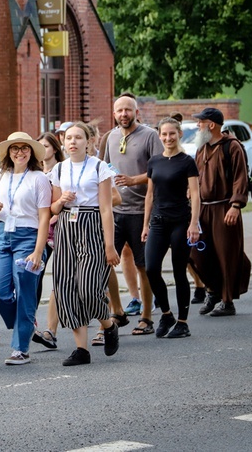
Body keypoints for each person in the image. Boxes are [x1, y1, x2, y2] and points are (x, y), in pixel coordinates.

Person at [50, 123, 120, 366]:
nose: (73, 142)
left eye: (78, 137)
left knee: (88, 287)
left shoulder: (99, 167)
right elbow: (53, 208)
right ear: (63, 142)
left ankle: (109, 324)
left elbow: (106, 208)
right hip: (66, 227)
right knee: (66, 288)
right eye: (69, 138)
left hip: (91, 225)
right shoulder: (58, 169)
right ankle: (82, 349)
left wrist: (109, 246)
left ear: (88, 141)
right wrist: (61, 200)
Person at [0, 132, 52, 365]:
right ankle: (26, 325)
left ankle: (20, 349)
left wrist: (38, 250)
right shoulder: (0, 175)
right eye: (15, 148)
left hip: (28, 237)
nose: (19, 152)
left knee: (25, 290)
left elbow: (44, 217)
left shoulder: (38, 178)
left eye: (24, 148)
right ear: (8, 152)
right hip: (2, 236)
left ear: (31, 152)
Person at [103, 95, 163, 335]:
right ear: (114, 113)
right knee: (103, 262)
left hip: (141, 211)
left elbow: (161, 169)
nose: (124, 114)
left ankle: (147, 318)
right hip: (115, 211)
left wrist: (134, 180)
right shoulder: (110, 137)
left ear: (136, 112)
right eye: (119, 110)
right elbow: (104, 170)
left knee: (143, 266)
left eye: (128, 110)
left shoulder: (149, 135)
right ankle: (117, 311)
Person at [141, 118, 200, 338]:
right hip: (157, 221)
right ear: (159, 135)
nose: (168, 138)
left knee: (178, 270)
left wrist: (194, 224)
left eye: (172, 134)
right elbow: (149, 195)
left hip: (181, 222)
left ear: (179, 134)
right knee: (151, 269)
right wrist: (145, 224)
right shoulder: (154, 161)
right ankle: (166, 314)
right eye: (164, 134)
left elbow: (195, 194)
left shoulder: (187, 162)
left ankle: (183, 322)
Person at [190, 108, 251, 316]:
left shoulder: (232, 147)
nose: (198, 125)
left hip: (224, 208)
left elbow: (241, 178)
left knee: (226, 254)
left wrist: (235, 206)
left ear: (211, 125)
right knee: (197, 254)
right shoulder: (201, 149)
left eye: (201, 122)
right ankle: (213, 290)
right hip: (202, 209)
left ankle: (227, 301)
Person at [31, 131, 65, 350]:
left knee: (60, 278)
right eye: (39, 146)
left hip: (59, 228)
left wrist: (51, 217)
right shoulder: (33, 172)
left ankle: (51, 330)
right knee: (34, 275)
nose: (43, 149)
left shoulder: (61, 171)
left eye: (46, 145)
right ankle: (31, 322)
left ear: (55, 148)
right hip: (39, 231)